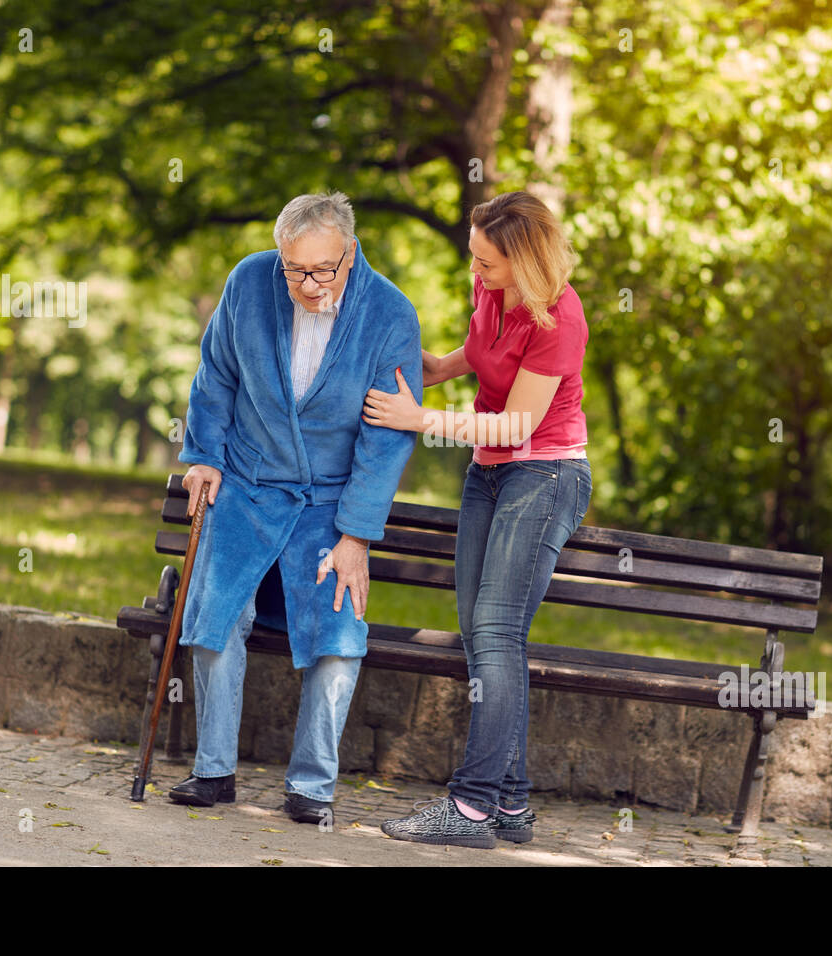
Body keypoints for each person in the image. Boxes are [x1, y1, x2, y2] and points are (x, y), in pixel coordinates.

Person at [170, 191, 422, 827]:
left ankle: (312, 785)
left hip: (332, 503)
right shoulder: (249, 282)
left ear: (351, 252)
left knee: (338, 635)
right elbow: (215, 375)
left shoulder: (390, 313)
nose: (309, 285)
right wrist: (204, 455)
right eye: (295, 271)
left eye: (323, 270)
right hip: (249, 484)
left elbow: (386, 437)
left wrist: (357, 536)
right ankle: (213, 771)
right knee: (212, 614)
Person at [362, 190, 591, 848]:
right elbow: (482, 351)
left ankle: (469, 809)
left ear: (524, 263)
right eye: (473, 257)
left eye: (487, 264)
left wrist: (418, 419)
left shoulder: (561, 320)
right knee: (483, 634)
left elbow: (518, 423)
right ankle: (512, 804)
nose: (476, 271)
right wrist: (435, 369)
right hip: (488, 473)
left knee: (494, 632)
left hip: (544, 474)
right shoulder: (491, 288)